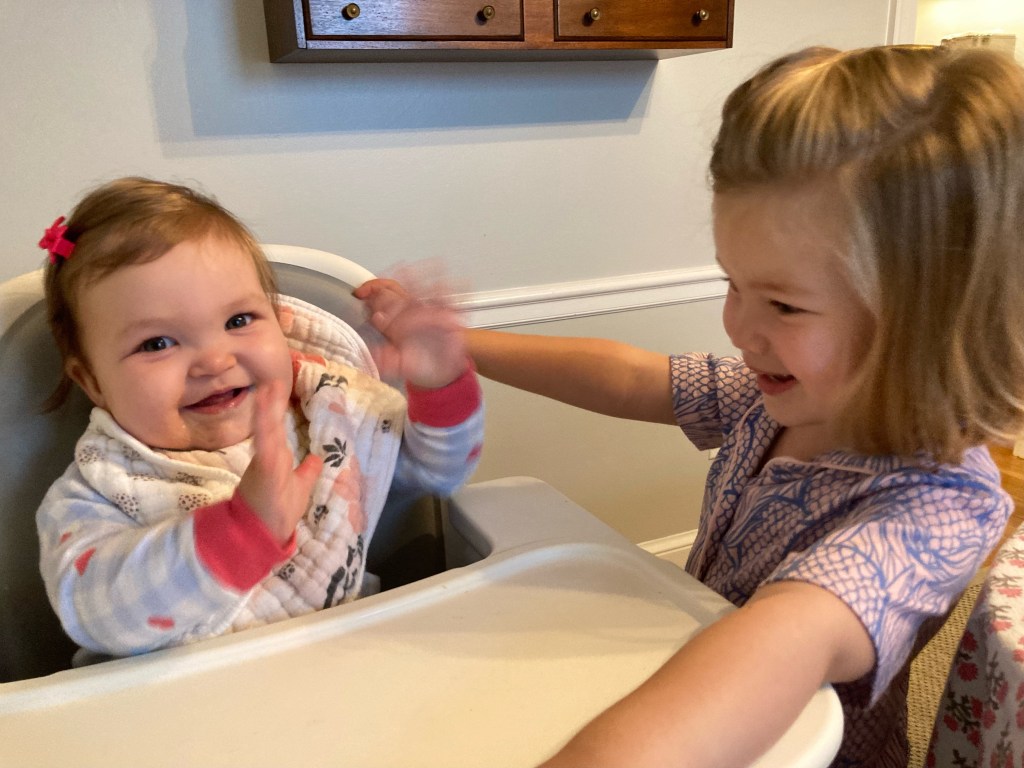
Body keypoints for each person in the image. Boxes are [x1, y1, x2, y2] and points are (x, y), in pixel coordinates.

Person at [465, 45, 1024, 767]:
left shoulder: (935, 509)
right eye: (733, 284)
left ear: (933, 325)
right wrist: (462, 344)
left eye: (784, 305)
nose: (737, 327)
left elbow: (783, 638)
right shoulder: (783, 400)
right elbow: (631, 378)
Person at [36, 177, 484, 657]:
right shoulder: (99, 488)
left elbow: (439, 471)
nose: (214, 361)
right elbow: (99, 615)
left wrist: (440, 384)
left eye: (238, 321)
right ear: (92, 381)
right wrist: (243, 531)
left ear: (277, 322)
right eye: (157, 343)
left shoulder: (326, 415)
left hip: (343, 664)